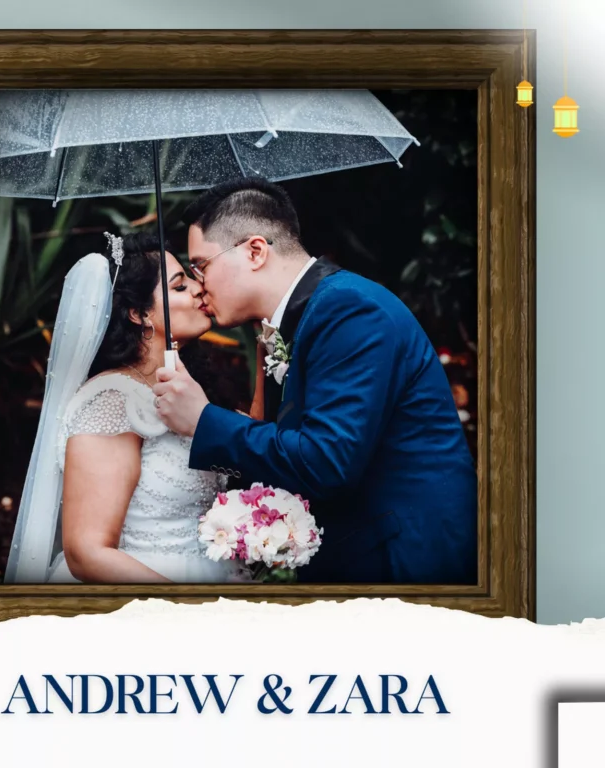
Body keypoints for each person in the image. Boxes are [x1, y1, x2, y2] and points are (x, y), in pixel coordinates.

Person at [153, 178, 478, 585]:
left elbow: (327, 460)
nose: (200, 285)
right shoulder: (292, 323)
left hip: (402, 557)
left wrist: (204, 420)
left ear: (255, 251)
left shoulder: (348, 309)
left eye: (201, 266)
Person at [4, 231, 247, 585]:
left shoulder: (189, 390)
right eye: (179, 287)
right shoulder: (114, 399)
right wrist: (187, 606)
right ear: (138, 314)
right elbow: (87, 552)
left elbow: (254, 441)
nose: (198, 290)